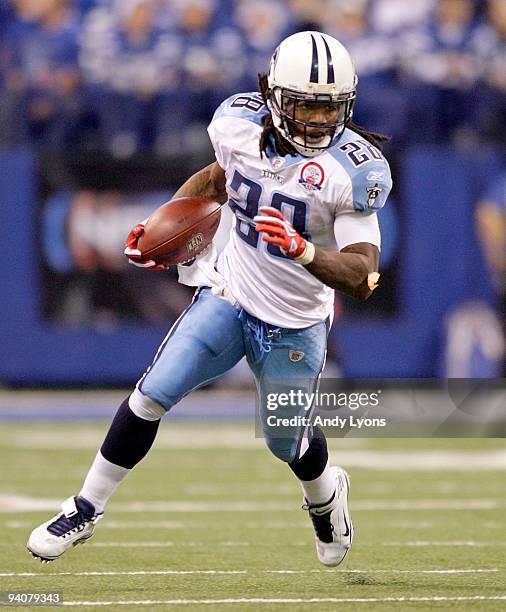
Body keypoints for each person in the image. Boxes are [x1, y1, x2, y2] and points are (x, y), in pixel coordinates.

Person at [27, 30, 392, 567]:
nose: (316, 120)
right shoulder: (237, 125)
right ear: (273, 96)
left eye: (328, 108)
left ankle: (325, 497)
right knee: (152, 393)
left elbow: (362, 274)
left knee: (284, 444)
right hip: (230, 293)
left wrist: (304, 252)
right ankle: (85, 506)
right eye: (304, 106)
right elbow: (220, 179)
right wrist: (162, 225)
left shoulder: (352, 170)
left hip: (295, 321)